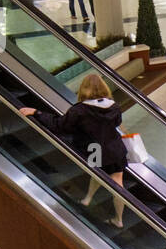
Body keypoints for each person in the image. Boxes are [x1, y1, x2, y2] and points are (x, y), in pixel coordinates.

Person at [19, 73, 127, 228]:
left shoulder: (80, 110)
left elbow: (60, 126)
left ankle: (93, 203)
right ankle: (116, 217)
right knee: (117, 182)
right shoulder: (114, 106)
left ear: (84, 89)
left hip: (94, 149)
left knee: (98, 172)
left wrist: (37, 113)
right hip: (115, 148)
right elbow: (117, 123)